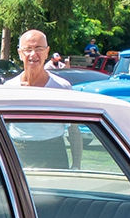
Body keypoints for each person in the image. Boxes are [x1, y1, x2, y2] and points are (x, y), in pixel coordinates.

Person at [7, 28, 81, 169]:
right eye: (28, 49)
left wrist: (76, 165)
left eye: (39, 48)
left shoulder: (62, 87)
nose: (33, 54)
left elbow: (74, 130)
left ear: (47, 52)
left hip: (53, 153)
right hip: (18, 154)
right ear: (20, 53)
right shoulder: (9, 88)